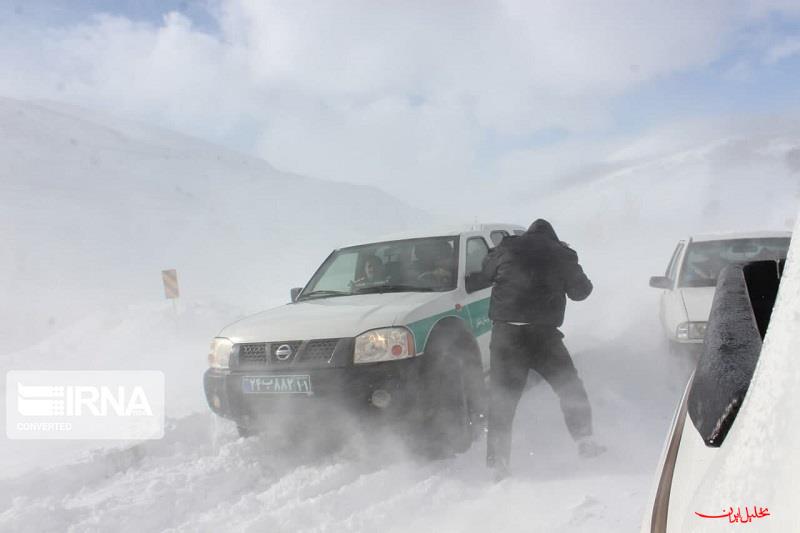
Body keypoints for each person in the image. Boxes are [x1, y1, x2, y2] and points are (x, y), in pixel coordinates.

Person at [482, 219, 604, 480]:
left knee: (502, 399)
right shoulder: (561, 253)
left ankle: (499, 463)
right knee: (569, 387)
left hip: (506, 335)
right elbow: (582, 292)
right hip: (543, 337)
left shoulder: (506, 248)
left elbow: (484, 274)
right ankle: (585, 442)